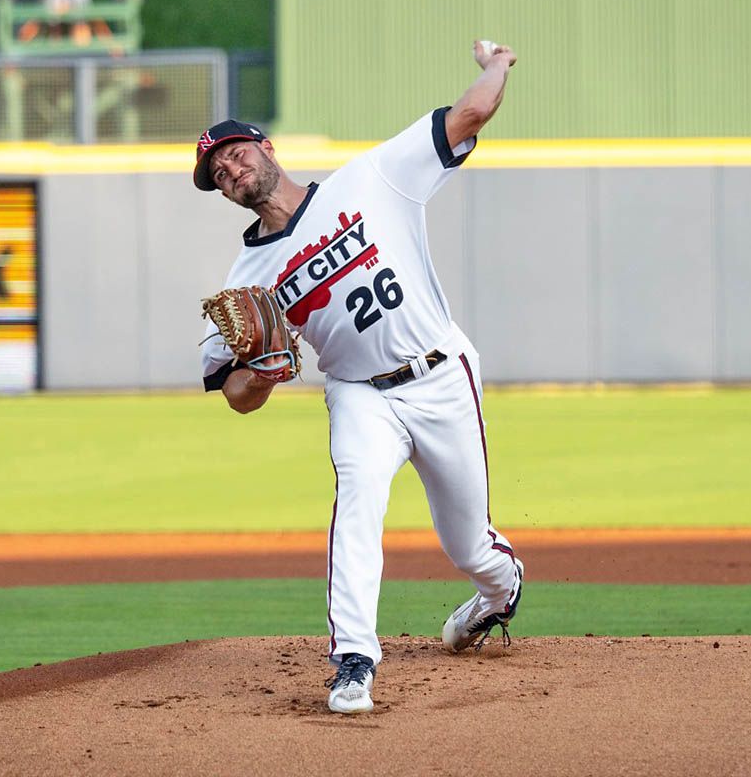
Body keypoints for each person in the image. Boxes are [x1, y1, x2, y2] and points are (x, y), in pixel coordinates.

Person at [195, 40, 523, 715]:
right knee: (358, 503)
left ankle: (500, 591)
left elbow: (468, 115)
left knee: (468, 544)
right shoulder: (244, 284)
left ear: (265, 147)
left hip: (439, 373)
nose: (227, 169)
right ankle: (353, 662)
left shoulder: (370, 178)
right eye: (216, 172)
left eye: (233, 153)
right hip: (357, 394)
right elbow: (234, 394)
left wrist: (497, 65)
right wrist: (260, 377)